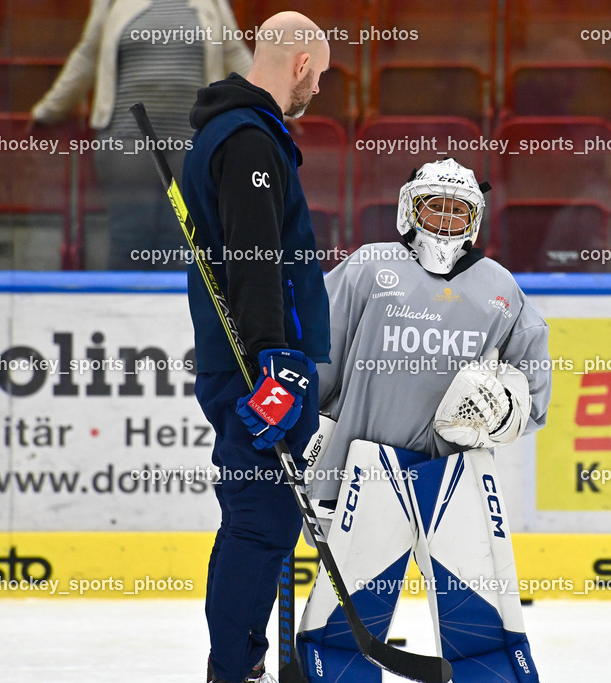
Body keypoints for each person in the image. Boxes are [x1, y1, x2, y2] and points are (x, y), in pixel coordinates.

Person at [296, 158, 551, 681]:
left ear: (475, 220)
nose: (445, 219)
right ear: (409, 210)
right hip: (366, 472)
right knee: (341, 632)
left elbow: (535, 390)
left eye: (459, 210)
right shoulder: (369, 268)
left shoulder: (499, 288)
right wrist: (314, 449)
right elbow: (315, 358)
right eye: (434, 205)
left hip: (456, 476)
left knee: (484, 631)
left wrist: (502, 409)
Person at [179, 11, 331, 683]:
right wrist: (278, 363)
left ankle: (244, 659)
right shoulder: (246, 139)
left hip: (255, 361)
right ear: (300, 64)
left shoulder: (236, 131)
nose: (317, 91)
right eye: (319, 77)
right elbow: (255, 259)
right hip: (258, 366)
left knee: (260, 517)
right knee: (259, 522)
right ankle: (232, 668)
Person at [30, 0, 251, 270]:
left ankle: (178, 313)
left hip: (193, 140)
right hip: (125, 141)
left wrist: (275, 106)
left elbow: (234, 53)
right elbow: (88, 55)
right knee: (129, 237)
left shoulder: (212, 2)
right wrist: (49, 110)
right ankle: (121, 313)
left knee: (184, 243)